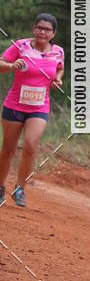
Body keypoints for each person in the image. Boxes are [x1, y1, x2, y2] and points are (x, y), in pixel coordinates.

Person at [0, 13, 64, 208]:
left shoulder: (58, 51)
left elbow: (59, 68)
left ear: (54, 33)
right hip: (14, 105)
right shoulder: (21, 46)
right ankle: (0, 186)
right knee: (8, 149)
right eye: (39, 28)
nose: (42, 32)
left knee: (30, 145)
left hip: (39, 106)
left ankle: (20, 188)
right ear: (33, 28)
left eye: (47, 29)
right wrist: (11, 65)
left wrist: (57, 80)